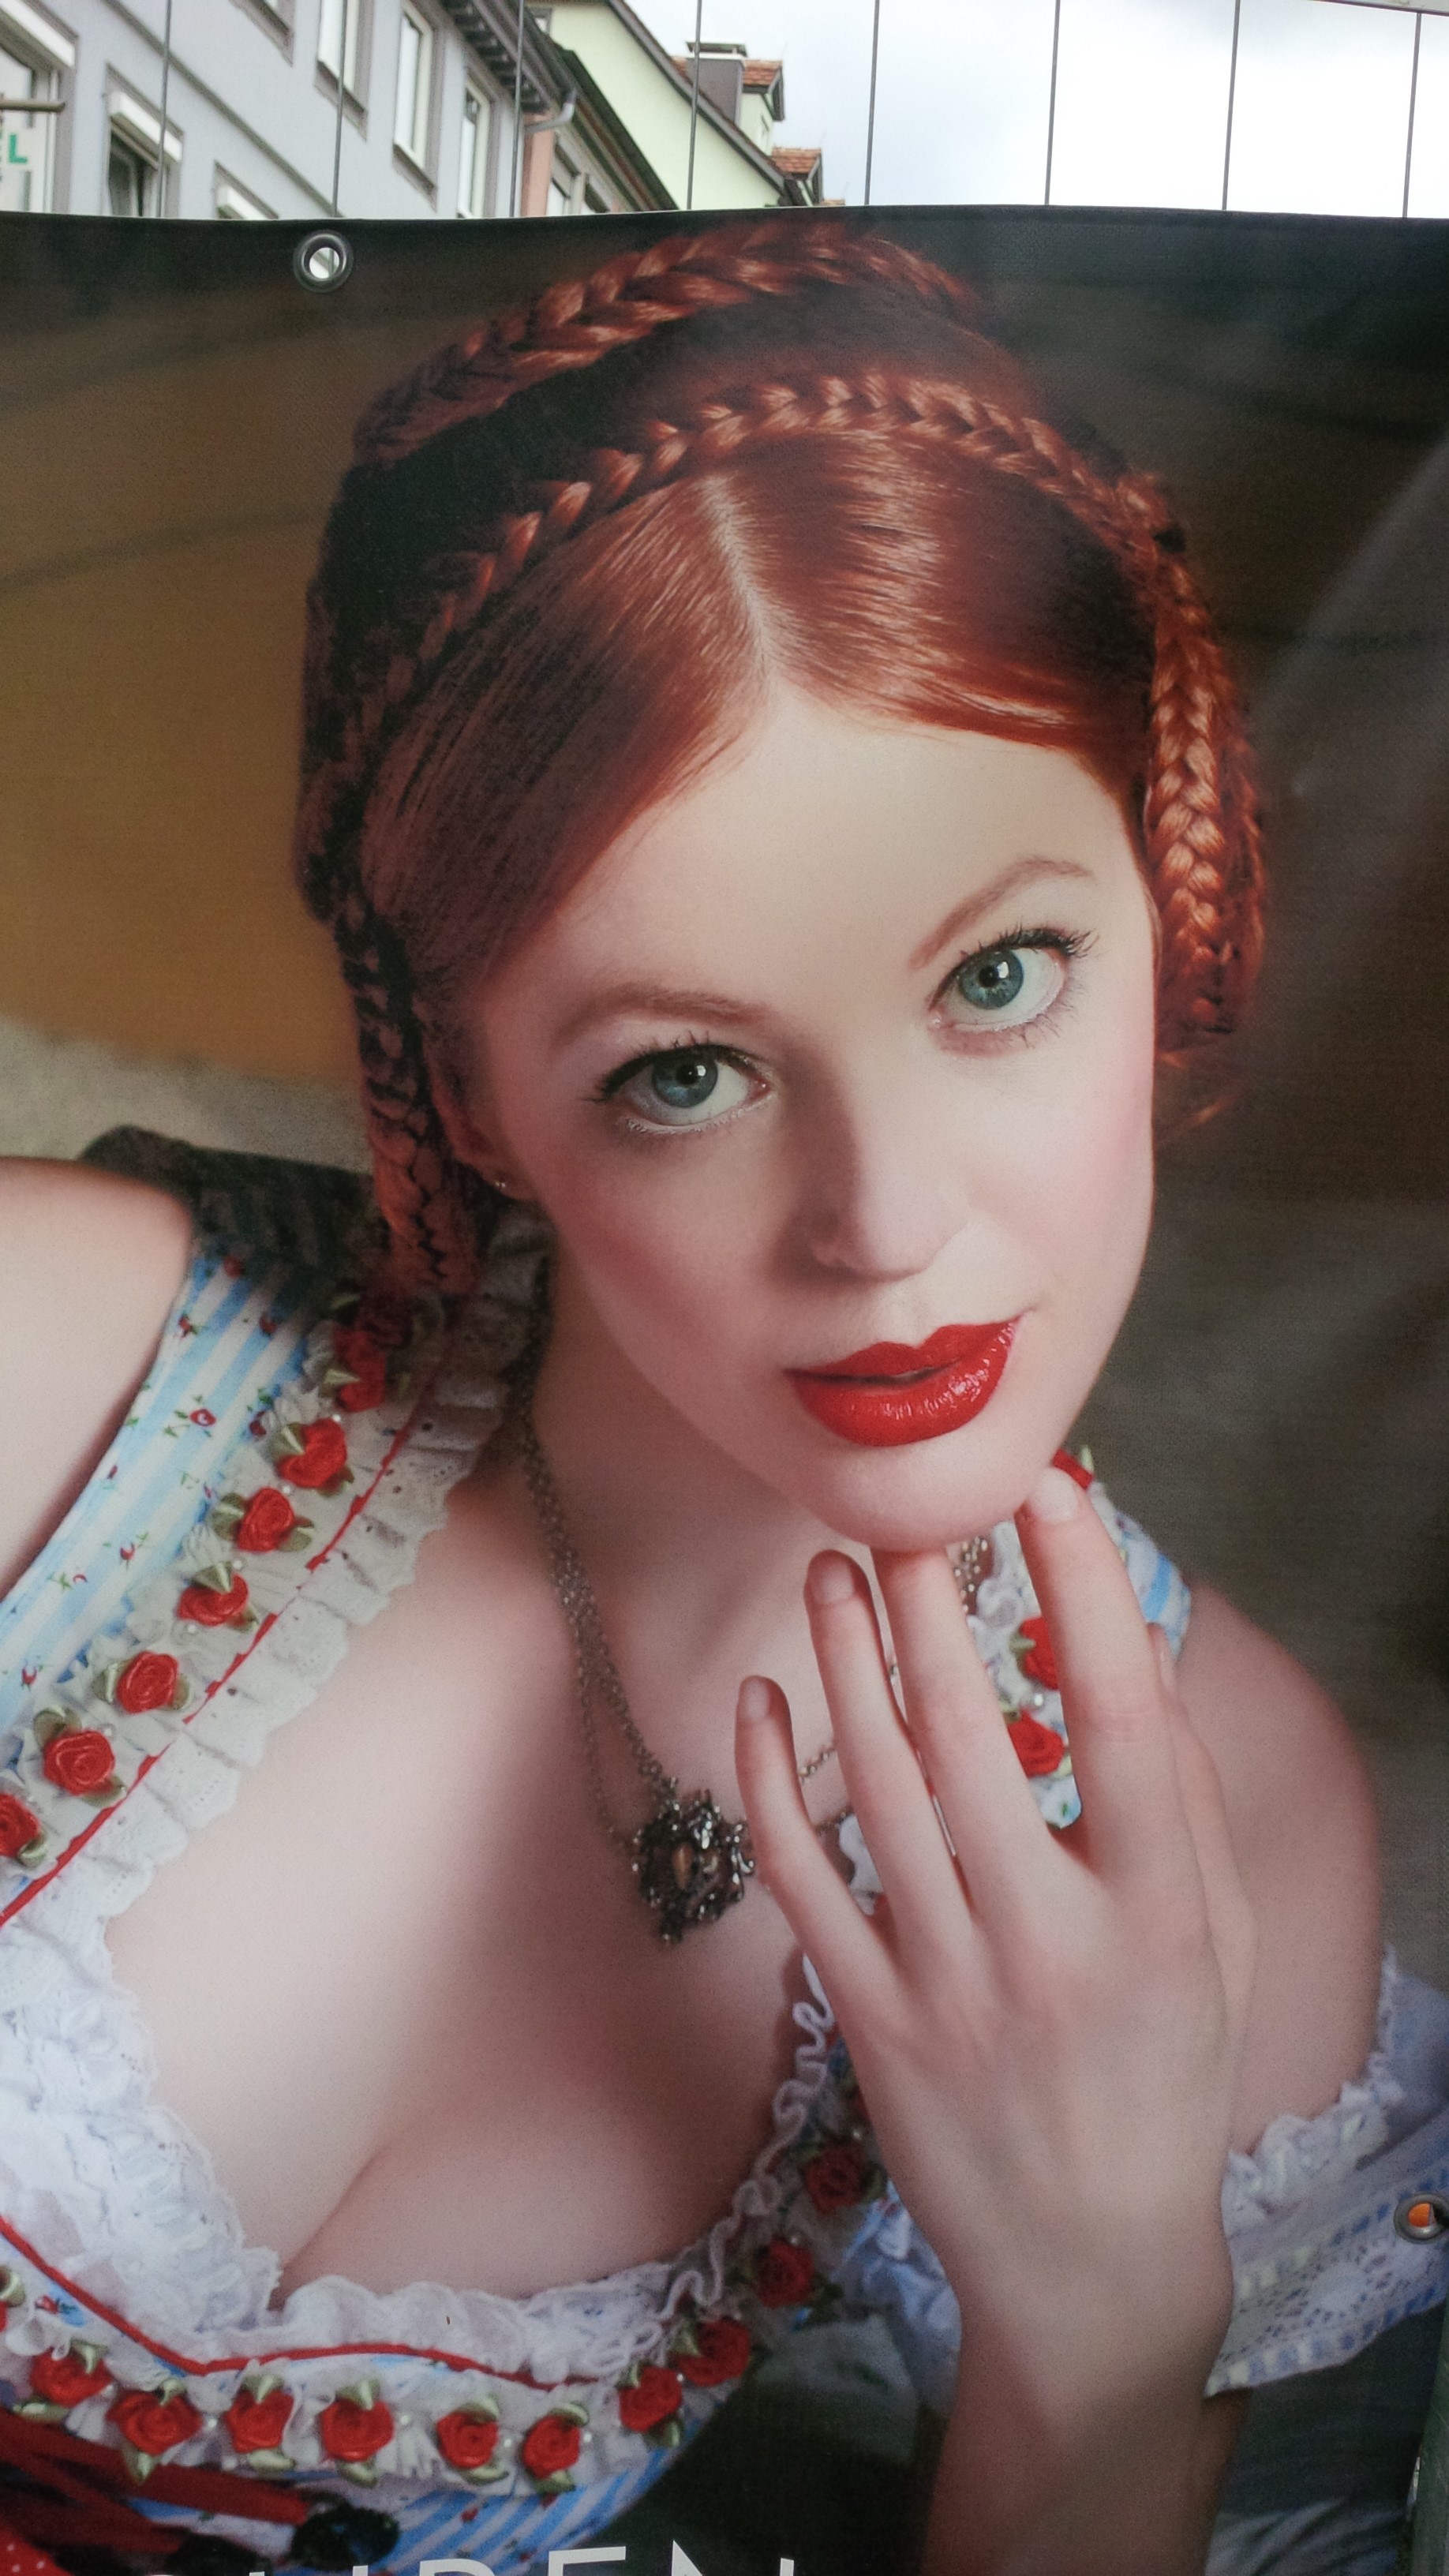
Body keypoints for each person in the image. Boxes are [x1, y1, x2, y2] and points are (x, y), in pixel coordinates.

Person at [2, 216, 1447, 2576]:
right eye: (682, 1069)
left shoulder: (1236, 1826)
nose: (883, 1221)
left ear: (1171, 901)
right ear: (469, 1093)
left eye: (1000, 975)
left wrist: (1098, 2339)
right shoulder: (56, 1371)